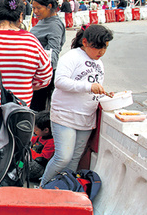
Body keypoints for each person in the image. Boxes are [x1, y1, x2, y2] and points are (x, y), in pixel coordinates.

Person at [40, 24, 113, 187]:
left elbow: (93, 87)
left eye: (105, 48)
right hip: (65, 116)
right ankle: (43, 187)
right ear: (85, 42)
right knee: (63, 157)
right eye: (98, 47)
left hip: (86, 118)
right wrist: (89, 87)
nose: (101, 52)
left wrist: (105, 94)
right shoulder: (72, 57)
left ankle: (64, 190)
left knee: (74, 160)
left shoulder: (99, 63)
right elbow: (59, 81)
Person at [0, 0, 53, 107]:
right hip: (17, 114)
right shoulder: (31, 41)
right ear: (20, 16)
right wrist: (24, 83)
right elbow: (45, 77)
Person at [30, 0, 66, 112]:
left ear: (49, 6)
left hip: (43, 77)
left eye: (38, 8)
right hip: (35, 73)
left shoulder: (54, 25)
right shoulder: (44, 20)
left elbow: (53, 53)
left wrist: (42, 75)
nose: (35, 12)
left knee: (37, 110)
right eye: (33, 8)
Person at [30, 110, 55, 181]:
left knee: (26, 162)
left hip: (40, 167)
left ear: (46, 130)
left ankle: (20, 172)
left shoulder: (51, 143)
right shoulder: (40, 136)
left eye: (36, 129)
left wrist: (29, 151)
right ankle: (19, 169)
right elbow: (31, 140)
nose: (34, 131)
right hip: (33, 159)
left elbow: (42, 159)